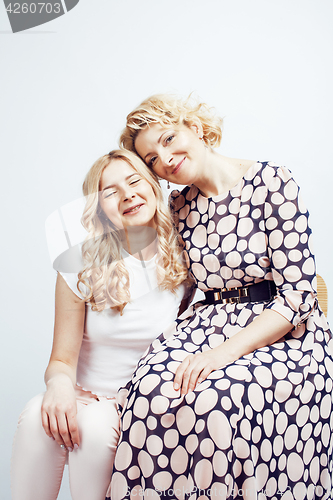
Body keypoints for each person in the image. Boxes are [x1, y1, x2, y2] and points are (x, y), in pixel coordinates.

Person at [108, 95, 333, 500]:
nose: (166, 158)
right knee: (147, 393)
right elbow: (156, 273)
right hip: (206, 323)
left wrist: (220, 355)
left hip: (284, 330)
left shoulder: (273, 182)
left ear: (194, 127)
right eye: (153, 159)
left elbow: (300, 294)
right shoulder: (177, 206)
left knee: (215, 397)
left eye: (169, 138)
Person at [11, 149, 189, 500]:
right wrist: (60, 386)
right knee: (36, 416)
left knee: (94, 428)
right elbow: (61, 360)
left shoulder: (186, 257)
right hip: (85, 395)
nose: (127, 195)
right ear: (99, 211)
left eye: (135, 181)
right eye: (110, 192)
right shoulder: (80, 264)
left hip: (141, 402)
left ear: (154, 186)